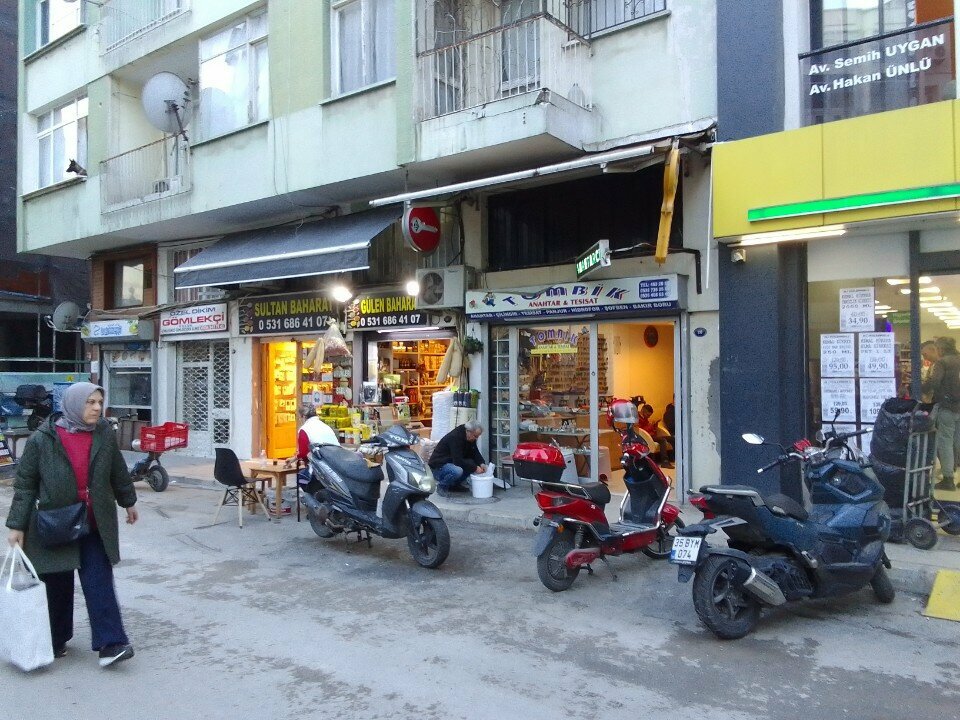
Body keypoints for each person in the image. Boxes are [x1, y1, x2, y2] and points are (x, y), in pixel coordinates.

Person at [5, 382, 139, 667]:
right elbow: (26, 484)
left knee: (99, 581)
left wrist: (128, 501)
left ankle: (111, 644)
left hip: (93, 523)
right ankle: (55, 640)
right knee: (56, 586)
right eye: (90, 402)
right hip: (56, 523)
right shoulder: (44, 438)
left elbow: (117, 471)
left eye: (99, 402)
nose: (96, 408)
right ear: (74, 403)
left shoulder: (103, 433)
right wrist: (16, 525)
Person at [922, 337, 960, 492]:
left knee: (945, 442)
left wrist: (922, 389)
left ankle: (948, 479)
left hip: (946, 408)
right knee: (957, 442)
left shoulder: (942, 363)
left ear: (940, 349)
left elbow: (935, 383)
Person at [429, 419, 486, 497]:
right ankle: (442, 486)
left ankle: (454, 485)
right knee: (458, 470)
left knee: (470, 464)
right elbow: (458, 460)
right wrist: (475, 468)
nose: (476, 439)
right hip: (438, 467)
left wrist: (481, 463)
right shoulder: (455, 437)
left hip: (450, 464)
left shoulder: (469, 437)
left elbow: (474, 452)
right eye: (475, 436)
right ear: (468, 431)